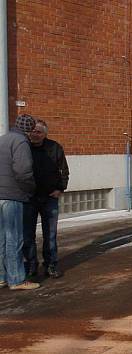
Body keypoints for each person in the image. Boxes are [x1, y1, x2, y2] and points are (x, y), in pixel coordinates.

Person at [23, 119, 69, 279]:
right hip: (29, 198)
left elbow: (64, 170)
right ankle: (30, 267)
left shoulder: (54, 147)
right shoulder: (24, 147)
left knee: (50, 234)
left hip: (50, 198)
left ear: (45, 134)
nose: (34, 134)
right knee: (28, 235)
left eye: (38, 132)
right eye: (33, 131)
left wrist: (60, 188)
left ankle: (51, 265)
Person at [0, 114, 40, 290]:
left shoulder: (3, 139)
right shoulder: (21, 142)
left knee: (0, 238)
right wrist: (30, 189)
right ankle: (16, 279)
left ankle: (1, 277)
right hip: (13, 195)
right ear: (29, 130)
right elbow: (23, 171)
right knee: (14, 238)